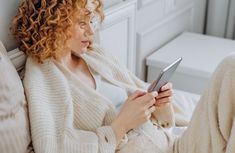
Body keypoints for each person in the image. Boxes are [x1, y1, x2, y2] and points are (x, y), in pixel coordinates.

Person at [11, 0, 235, 153]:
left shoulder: (96, 55)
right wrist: (118, 128)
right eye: (81, 23)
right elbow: (53, 146)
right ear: (54, 23)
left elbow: (154, 115)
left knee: (231, 67)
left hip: (171, 145)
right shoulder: (43, 75)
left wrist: (158, 104)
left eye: (92, 21)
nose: (91, 32)